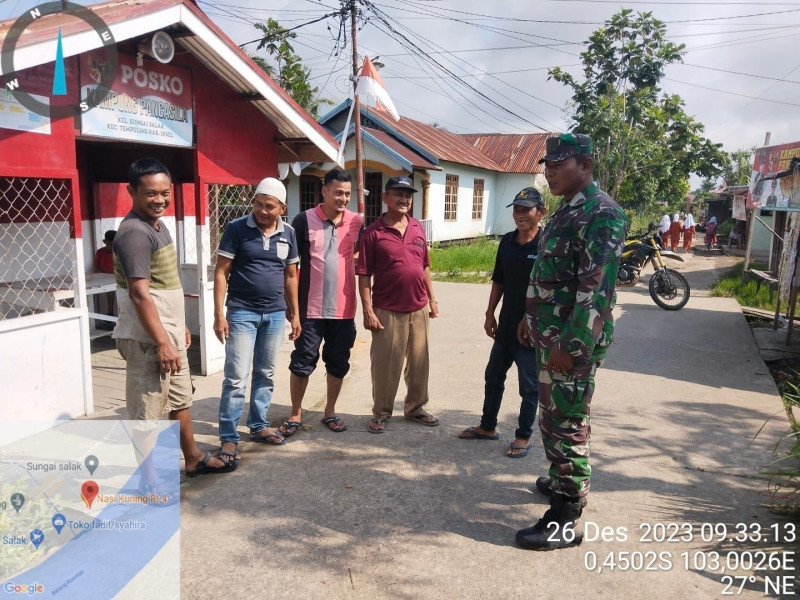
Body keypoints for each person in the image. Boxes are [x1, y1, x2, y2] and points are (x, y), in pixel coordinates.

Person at [515, 133, 628, 551]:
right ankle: (562, 478)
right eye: (547, 165)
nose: (549, 172)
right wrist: (529, 317)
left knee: (566, 420)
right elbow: (548, 274)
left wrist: (572, 345)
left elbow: (594, 290)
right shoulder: (567, 210)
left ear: (585, 165)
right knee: (553, 414)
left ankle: (566, 513)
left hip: (570, 342)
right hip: (550, 335)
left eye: (558, 164)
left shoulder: (603, 214)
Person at [113, 158, 234, 478]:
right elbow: (140, 294)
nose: (160, 200)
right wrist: (163, 341)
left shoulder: (157, 224)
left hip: (168, 333)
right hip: (147, 339)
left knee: (180, 399)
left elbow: (162, 285)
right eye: (151, 193)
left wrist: (178, 327)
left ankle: (192, 458)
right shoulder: (134, 233)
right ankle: (147, 479)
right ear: (132, 192)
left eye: (165, 193)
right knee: (147, 412)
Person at [214, 177, 301, 465]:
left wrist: (295, 313)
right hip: (242, 312)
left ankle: (259, 425)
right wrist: (219, 314)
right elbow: (221, 272)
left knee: (266, 373)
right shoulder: (237, 228)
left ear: (282, 208)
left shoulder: (289, 233)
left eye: (270, 206)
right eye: (259, 204)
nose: (263, 211)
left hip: (275, 314)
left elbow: (291, 276)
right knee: (236, 377)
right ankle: (229, 435)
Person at [459, 187, 545, 458]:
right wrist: (489, 313)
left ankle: (523, 436)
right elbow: (499, 280)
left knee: (529, 386)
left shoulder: (547, 246)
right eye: (516, 209)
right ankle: (487, 427)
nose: (520, 214)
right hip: (506, 326)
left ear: (541, 213)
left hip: (530, 330)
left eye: (526, 209)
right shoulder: (507, 241)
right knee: (493, 376)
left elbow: (552, 291)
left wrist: (533, 320)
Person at [281, 169, 363, 437]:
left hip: (344, 310)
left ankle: (330, 411)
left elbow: (358, 255)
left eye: (347, 194)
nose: (343, 199)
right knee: (302, 361)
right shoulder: (303, 220)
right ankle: (295, 412)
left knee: (338, 362)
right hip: (310, 309)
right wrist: (292, 308)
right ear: (324, 190)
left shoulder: (356, 222)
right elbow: (290, 267)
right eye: (338, 192)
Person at [357, 175, 439, 434]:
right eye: (398, 194)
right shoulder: (373, 232)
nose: (404, 199)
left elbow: (424, 266)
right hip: (387, 310)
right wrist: (368, 310)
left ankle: (415, 408)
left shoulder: (417, 227)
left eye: (408, 195)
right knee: (386, 366)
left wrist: (432, 299)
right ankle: (381, 412)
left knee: (419, 363)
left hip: (418, 307)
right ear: (385, 198)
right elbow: (364, 274)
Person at [94, 229, 117, 324]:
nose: (112, 247)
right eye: (110, 244)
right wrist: (104, 276)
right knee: (110, 292)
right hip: (104, 278)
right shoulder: (100, 252)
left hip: (117, 278)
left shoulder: (119, 252)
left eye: (114, 244)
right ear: (104, 242)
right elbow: (96, 267)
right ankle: (110, 313)